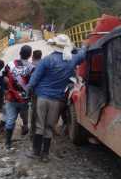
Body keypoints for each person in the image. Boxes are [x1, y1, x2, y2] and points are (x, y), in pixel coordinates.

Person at [26, 34, 87, 162]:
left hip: (42, 97)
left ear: (54, 46)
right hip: (57, 100)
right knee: (49, 127)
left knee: (39, 125)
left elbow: (34, 79)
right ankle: (45, 155)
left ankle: (36, 152)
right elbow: (83, 54)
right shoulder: (72, 60)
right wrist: (81, 46)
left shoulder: (47, 60)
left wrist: (28, 90)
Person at [4, 45, 34, 149]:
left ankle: (7, 143)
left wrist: (6, 89)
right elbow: (33, 83)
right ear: (30, 55)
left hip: (11, 97)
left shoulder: (9, 64)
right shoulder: (31, 67)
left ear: (20, 53)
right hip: (24, 99)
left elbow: (2, 77)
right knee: (25, 117)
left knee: (10, 120)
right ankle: (25, 128)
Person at [30, 50, 43, 139]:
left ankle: (33, 133)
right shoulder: (44, 64)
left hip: (35, 92)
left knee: (34, 112)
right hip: (44, 92)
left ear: (33, 56)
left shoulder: (31, 66)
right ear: (41, 56)